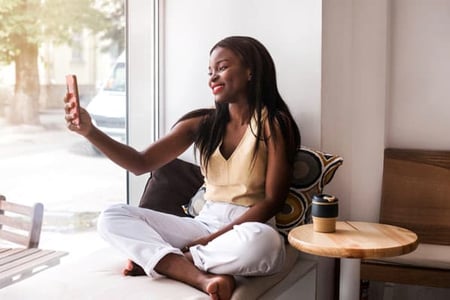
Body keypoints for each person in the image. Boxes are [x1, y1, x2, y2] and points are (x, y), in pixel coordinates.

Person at [64, 36, 301, 300]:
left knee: (264, 244)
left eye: (222, 68)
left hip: (247, 226)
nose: (212, 77)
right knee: (111, 216)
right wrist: (90, 131)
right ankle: (200, 277)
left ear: (250, 71)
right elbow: (139, 163)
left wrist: (209, 241)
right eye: (210, 72)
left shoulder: (274, 124)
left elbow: (272, 200)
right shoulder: (201, 123)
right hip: (203, 223)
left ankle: (164, 261)